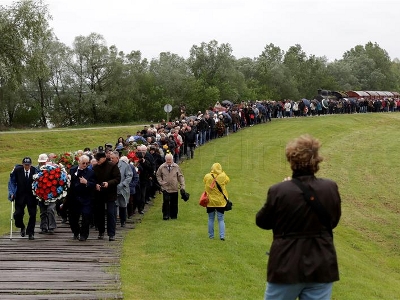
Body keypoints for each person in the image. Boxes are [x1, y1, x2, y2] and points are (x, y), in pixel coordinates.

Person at [255, 134, 341, 300]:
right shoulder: (330, 188)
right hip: (321, 262)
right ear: (317, 159)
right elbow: (333, 221)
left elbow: (262, 221)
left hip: (286, 263)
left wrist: (284, 190)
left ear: (291, 160)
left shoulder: (279, 191)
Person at [93, 148, 121, 241]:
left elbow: (117, 178)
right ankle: (101, 231)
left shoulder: (112, 166)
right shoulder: (95, 167)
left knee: (110, 213)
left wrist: (108, 183)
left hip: (110, 193)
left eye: (98, 159)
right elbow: (93, 179)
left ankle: (111, 233)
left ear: (104, 158)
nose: (97, 161)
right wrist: (95, 184)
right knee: (99, 214)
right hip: (99, 193)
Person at [8, 157, 38, 240]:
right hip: (20, 196)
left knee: (33, 214)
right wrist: (12, 193)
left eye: (28, 165)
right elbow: (12, 182)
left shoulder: (35, 171)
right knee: (17, 214)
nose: (27, 166)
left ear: (31, 165)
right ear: (22, 164)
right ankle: (21, 226)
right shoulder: (17, 170)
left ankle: (30, 233)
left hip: (31, 197)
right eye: (25, 165)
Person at [67, 155, 96, 241]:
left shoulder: (91, 172)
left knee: (86, 216)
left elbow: (94, 184)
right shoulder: (73, 170)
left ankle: (84, 235)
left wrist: (86, 182)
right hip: (74, 198)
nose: (85, 165)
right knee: (73, 218)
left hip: (86, 198)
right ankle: (76, 232)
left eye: (87, 163)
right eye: (83, 163)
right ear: (79, 161)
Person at [203, 163, 230, 240]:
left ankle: (211, 236)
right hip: (220, 202)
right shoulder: (223, 176)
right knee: (221, 219)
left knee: (211, 219)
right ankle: (222, 236)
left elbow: (204, 181)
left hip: (210, 201)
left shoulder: (207, 176)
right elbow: (228, 180)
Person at [156, 153, 186, 220]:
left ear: (172, 160)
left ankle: (174, 215)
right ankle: (166, 215)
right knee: (166, 201)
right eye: (167, 161)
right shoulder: (162, 167)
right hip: (165, 188)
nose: (169, 162)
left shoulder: (176, 167)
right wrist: (161, 182)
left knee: (174, 202)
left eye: (170, 161)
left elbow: (180, 176)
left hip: (174, 187)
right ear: (165, 160)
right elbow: (158, 175)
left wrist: (182, 186)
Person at [110, 151, 133, 228]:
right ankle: (114, 222)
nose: (111, 159)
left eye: (112, 158)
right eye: (110, 158)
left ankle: (123, 221)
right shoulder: (109, 165)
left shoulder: (124, 165)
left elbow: (129, 176)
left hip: (123, 189)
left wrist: (123, 184)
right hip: (113, 188)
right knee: (114, 205)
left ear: (117, 158)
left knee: (122, 205)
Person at [36, 153, 57, 234]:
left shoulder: (53, 168)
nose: (42, 164)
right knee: (43, 211)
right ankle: (43, 227)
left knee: (50, 209)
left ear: (47, 160)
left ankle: (51, 227)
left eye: (43, 162)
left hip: (52, 192)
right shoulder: (36, 169)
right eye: (41, 162)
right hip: (40, 193)